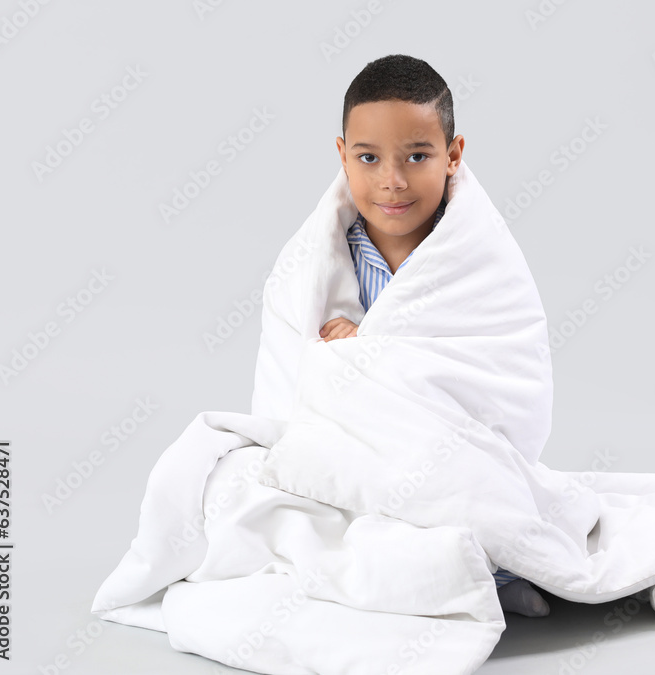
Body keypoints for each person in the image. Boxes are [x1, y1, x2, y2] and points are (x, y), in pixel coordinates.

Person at [251, 54, 550, 618]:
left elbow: (505, 384)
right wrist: (333, 367)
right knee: (229, 484)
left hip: (452, 465)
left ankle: (491, 570)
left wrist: (366, 354)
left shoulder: (478, 260)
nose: (392, 180)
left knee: (486, 506)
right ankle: (403, 580)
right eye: (368, 158)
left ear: (453, 155)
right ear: (343, 156)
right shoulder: (310, 267)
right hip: (353, 467)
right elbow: (288, 387)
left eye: (417, 156)